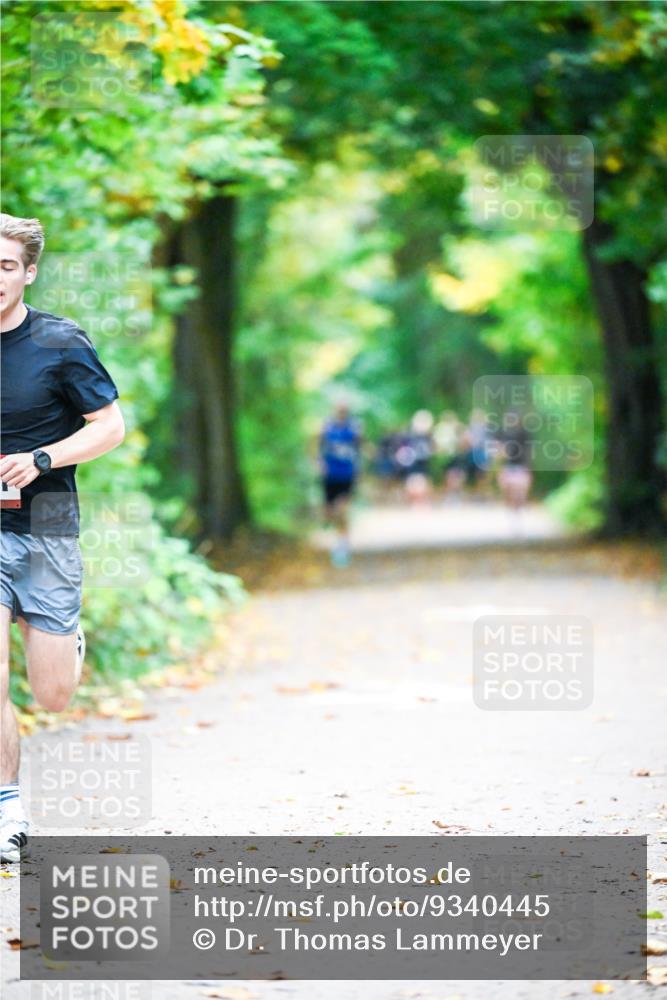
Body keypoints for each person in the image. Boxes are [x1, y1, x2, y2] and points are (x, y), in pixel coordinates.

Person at [0, 214, 125, 862]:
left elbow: (110, 426)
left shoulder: (59, 342)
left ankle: (63, 639)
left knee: (52, 692)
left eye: (6, 266)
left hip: (48, 523)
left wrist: (44, 457)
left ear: (29, 272)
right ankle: (7, 813)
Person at [319, 402, 361, 567]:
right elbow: (316, 446)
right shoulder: (327, 428)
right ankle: (337, 538)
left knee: (342, 510)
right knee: (330, 513)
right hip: (330, 476)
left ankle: (342, 546)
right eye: (339, 411)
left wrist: (359, 471)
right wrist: (319, 463)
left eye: (344, 411)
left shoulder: (354, 429)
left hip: (347, 475)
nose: (342, 413)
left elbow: (359, 449)